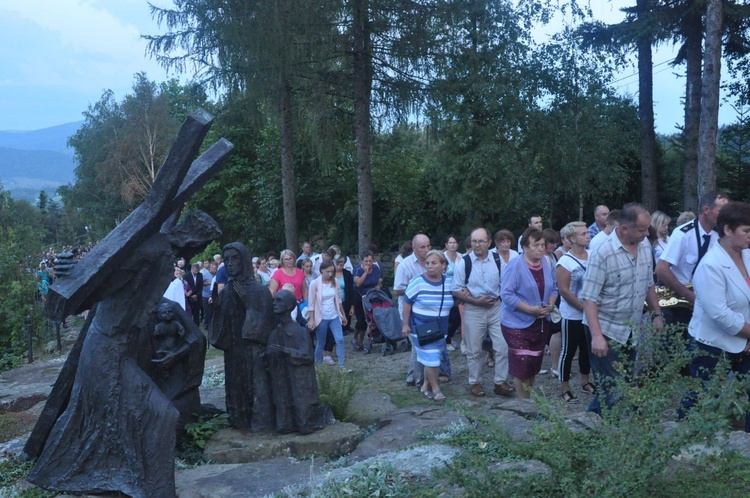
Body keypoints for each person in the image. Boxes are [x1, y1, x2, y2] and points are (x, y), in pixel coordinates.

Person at [580, 203, 664, 413]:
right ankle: (602, 430)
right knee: (613, 388)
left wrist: (656, 314)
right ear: (625, 228)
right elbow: (589, 299)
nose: (647, 233)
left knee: (621, 383)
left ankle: (594, 427)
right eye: (642, 229)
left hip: (630, 329)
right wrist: (597, 337)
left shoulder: (644, 246)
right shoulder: (603, 253)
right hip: (606, 329)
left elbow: (648, 283)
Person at [685, 202, 750, 431]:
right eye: (746, 231)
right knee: (700, 396)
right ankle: (679, 438)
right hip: (710, 343)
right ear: (728, 230)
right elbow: (719, 314)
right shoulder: (711, 265)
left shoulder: (748, 256)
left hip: (744, 338)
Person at [210, 242, 276, 431]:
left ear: (244, 261)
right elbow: (219, 324)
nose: (230, 264)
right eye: (227, 260)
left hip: (252, 349)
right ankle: (238, 418)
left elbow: (265, 323)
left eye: (234, 258)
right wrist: (215, 307)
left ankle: (259, 421)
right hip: (234, 351)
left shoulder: (259, 291)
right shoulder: (228, 291)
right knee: (235, 385)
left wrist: (247, 305)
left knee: (256, 386)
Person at [452, 227, 512, 397]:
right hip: (474, 309)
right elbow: (456, 290)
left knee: (503, 346)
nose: (477, 245)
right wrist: (477, 301)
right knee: (474, 349)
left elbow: (506, 283)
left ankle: (500, 382)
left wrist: (499, 298)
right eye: (474, 241)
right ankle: (475, 382)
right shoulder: (464, 262)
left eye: (480, 241)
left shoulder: (498, 259)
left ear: (489, 242)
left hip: (496, 308)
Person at [655, 192, 729, 328]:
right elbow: (661, 269)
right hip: (679, 302)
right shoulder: (682, 234)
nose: (726, 215)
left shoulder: (720, 235)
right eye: (722, 211)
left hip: (705, 300)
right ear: (707, 210)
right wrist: (689, 296)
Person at [501, 228, 558, 400]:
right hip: (516, 323)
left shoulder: (548, 263)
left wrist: (551, 304)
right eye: (537, 245)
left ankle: (529, 399)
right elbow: (506, 295)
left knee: (534, 363)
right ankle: (522, 402)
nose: (541, 248)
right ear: (525, 247)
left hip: (540, 323)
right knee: (522, 364)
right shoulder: (515, 266)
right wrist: (529, 309)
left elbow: (554, 287)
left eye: (543, 244)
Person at [401, 250, 454, 401]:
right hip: (421, 328)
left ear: (443, 265)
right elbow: (407, 303)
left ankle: (425, 385)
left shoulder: (449, 282)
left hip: (440, 329)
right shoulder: (417, 281)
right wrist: (405, 324)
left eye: (434, 263)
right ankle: (436, 389)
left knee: (429, 358)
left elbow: (456, 300)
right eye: (427, 263)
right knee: (433, 359)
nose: (429, 266)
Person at [555, 222, 594, 402]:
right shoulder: (565, 262)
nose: (588, 236)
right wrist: (584, 308)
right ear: (572, 239)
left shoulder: (592, 255)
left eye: (587, 233)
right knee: (569, 351)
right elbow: (564, 291)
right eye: (583, 234)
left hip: (590, 312)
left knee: (587, 349)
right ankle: (565, 388)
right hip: (572, 314)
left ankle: (585, 381)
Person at [393, 234, 430, 385]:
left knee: (421, 343)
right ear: (414, 248)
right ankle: (418, 378)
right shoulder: (405, 265)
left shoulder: (432, 262)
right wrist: (417, 290)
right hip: (410, 311)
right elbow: (397, 290)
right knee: (418, 343)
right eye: (422, 247)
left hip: (427, 310)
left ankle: (412, 376)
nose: (426, 250)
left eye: (428, 246)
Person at [307, 260, 348, 369]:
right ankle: (318, 367)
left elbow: (338, 300)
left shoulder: (335, 282)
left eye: (332, 272)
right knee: (321, 343)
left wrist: (343, 315)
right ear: (321, 271)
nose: (330, 274)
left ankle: (342, 367)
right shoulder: (314, 283)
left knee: (339, 340)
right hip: (321, 317)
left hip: (334, 315)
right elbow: (311, 303)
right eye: (327, 272)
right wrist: (312, 319)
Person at [352, 250, 381, 351]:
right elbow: (358, 283)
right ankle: (355, 338)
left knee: (370, 319)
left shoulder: (376, 269)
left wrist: (378, 289)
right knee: (361, 321)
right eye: (366, 261)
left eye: (370, 261)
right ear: (362, 261)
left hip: (371, 297)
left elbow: (376, 282)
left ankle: (361, 341)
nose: (368, 263)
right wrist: (365, 272)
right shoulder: (357, 270)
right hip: (359, 296)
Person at [443, 234, 462, 352]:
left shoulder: (461, 257)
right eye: (450, 242)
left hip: (458, 290)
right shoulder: (442, 257)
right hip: (446, 290)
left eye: (454, 242)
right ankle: (446, 341)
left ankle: (450, 337)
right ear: (446, 245)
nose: (452, 245)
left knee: (456, 317)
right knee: (447, 317)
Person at [333, 253, 355, 335]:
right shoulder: (330, 274)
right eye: (337, 264)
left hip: (345, 299)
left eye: (341, 265)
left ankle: (346, 327)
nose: (339, 267)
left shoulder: (347, 274)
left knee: (346, 313)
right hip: (334, 300)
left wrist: (352, 306)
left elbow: (351, 290)